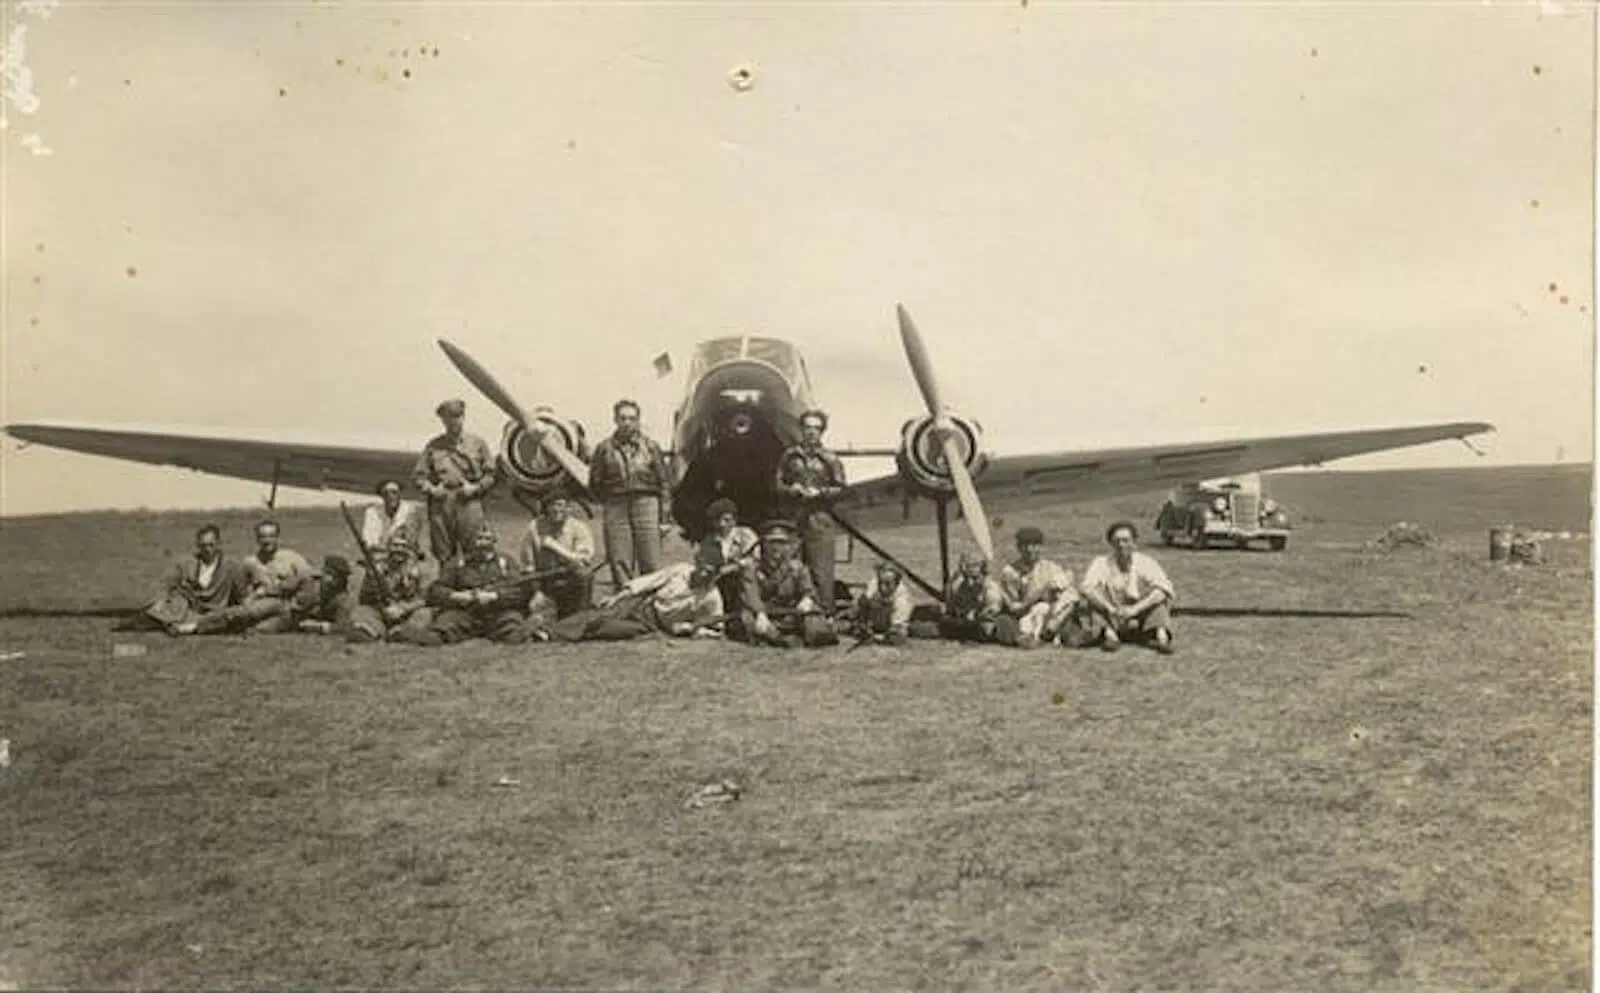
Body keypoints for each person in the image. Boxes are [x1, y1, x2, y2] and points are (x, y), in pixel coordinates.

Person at [397, 525, 534, 645]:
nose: (483, 543)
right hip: (465, 612)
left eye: (487, 539)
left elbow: (521, 591)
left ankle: (542, 631)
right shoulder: (457, 564)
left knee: (515, 634)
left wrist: (495, 596)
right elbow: (436, 590)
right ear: (471, 543)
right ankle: (401, 633)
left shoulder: (506, 562)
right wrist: (457, 596)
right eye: (479, 539)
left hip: (498, 612)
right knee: (438, 633)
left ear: (494, 542)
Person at [588, 398, 674, 588]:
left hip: (647, 503)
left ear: (638, 420)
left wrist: (665, 518)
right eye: (622, 418)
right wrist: (611, 500)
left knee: (651, 560)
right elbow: (594, 483)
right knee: (620, 561)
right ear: (615, 420)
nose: (627, 423)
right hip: (616, 505)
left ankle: (651, 606)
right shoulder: (604, 449)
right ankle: (623, 606)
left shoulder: (651, 447)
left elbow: (665, 483)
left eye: (631, 418)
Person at [774, 408, 846, 615]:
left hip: (820, 519)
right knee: (789, 566)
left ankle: (824, 614)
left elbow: (841, 489)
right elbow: (777, 484)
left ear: (822, 431)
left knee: (821, 570)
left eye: (816, 428)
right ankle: (787, 612)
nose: (811, 432)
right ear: (801, 429)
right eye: (807, 427)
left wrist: (821, 492)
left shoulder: (830, 459)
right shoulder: (790, 456)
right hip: (793, 518)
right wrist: (791, 489)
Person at [547, 560, 725, 642]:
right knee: (601, 615)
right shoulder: (681, 570)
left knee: (608, 629)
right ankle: (549, 633)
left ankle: (562, 633)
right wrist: (617, 596)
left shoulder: (711, 598)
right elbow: (647, 582)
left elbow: (713, 627)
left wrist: (689, 628)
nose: (702, 575)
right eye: (702, 569)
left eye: (709, 574)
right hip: (641, 603)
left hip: (651, 624)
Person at [413, 397, 498, 564]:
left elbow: (491, 475)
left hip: (468, 500)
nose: (453, 421)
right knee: (443, 552)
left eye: (456, 417)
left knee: (475, 548)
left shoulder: (478, 443)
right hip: (441, 501)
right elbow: (419, 476)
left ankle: (474, 586)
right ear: (443, 420)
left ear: (463, 417)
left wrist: (475, 488)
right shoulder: (434, 446)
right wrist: (432, 490)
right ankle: (447, 586)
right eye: (448, 418)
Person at [729, 520, 838, 648]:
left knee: (813, 616)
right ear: (764, 544)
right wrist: (760, 614)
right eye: (772, 542)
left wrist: (806, 599)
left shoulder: (796, 567)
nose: (776, 547)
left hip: (789, 613)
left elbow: (808, 590)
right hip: (765, 613)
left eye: (781, 542)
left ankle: (805, 635)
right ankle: (778, 638)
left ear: (788, 545)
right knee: (747, 620)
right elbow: (751, 594)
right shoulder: (752, 568)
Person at [1076, 520, 1176, 654]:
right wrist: (1110, 608)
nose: (1121, 545)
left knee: (1157, 597)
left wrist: (1135, 609)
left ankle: (1161, 638)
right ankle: (1110, 637)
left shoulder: (1146, 562)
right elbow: (1086, 588)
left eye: (1126, 540)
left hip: (1139, 612)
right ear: (1111, 543)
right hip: (1112, 612)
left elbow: (1164, 589)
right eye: (1117, 541)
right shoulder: (1101, 562)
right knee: (1095, 595)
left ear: (1134, 542)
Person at [142, 524, 249, 635]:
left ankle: (185, 628)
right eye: (203, 545)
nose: (207, 549)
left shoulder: (231, 566)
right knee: (157, 610)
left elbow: (242, 595)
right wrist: (159, 600)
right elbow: (164, 584)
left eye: (211, 545)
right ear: (198, 545)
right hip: (187, 611)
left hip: (214, 612)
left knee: (233, 615)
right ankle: (178, 624)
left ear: (218, 543)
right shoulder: (186, 563)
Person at [520, 493, 596, 621]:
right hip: (545, 581)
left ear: (568, 508)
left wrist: (554, 546)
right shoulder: (534, 527)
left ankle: (581, 614)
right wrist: (536, 591)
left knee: (585, 574)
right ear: (546, 508)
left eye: (560, 505)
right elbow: (528, 566)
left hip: (570, 581)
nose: (556, 509)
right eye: (552, 505)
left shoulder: (579, 527)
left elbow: (583, 561)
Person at [997, 526, 1077, 648]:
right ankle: (1033, 636)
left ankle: (1051, 629)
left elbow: (1065, 596)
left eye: (1034, 546)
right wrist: (1039, 593)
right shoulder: (1010, 572)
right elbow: (1014, 608)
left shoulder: (1051, 568)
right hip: (1025, 615)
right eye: (1025, 546)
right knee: (1005, 622)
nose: (1030, 550)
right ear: (1018, 548)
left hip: (1051, 614)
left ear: (1041, 547)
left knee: (1071, 595)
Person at [346, 535, 434, 643]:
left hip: (407, 612)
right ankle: (373, 631)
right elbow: (364, 598)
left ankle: (401, 632)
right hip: (380, 610)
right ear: (388, 548)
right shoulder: (377, 568)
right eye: (395, 545)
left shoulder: (420, 569)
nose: (399, 549)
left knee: (425, 614)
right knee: (360, 613)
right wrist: (372, 580)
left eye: (404, 546)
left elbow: (425, 598)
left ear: (410, 549)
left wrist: (403, 609)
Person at [252, 555, 354, 635]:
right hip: (279, 604)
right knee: (251, 613)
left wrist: (318, 627)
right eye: (328, 574)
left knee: (260, 629)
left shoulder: (342, 600)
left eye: (337, 577)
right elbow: (284, 587)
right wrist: (264, 592)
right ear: (323, 572)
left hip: (290, 620)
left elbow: (342, 627)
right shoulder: (309, 579)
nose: (331, 580)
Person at [695, 497, 759, 611]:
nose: (722, 524)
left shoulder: (746, 535)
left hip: (747, 582)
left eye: (726, 520)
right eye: (717, 520)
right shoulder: (709, 541)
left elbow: (755, 560)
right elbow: (703, 564)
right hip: (720, 584)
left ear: (734, 520)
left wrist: (733, 567)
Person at [938, 552, 1006, 642]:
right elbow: (953, 605)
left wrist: (977, 614)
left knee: (986, 629)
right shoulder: (960, 584)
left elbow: (993, 609)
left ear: (981, 567)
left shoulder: (990, 586)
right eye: (964, 565)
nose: (966, 569)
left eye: (971, 566)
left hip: (982, 620)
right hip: (963, 619)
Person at [851, 560, 913, 645]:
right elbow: (863, 600)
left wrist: (877, 637)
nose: (883, 587)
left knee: (896, 637)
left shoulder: (902, 599)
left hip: (892, 628)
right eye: (880, 583)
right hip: (872, 622)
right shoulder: (875, 582)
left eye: (888, 584)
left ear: (896, 583)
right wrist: (863, 624)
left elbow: (896, 627)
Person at [361, 479, 425, 558]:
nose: (391, 496)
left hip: (403, 553)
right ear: (382, 496)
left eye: (394, 493)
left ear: (399, 495)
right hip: (380, 553)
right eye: (386, 494)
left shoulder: (409, 511)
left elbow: (412, 537)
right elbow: (369, 539)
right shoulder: (372, 512)